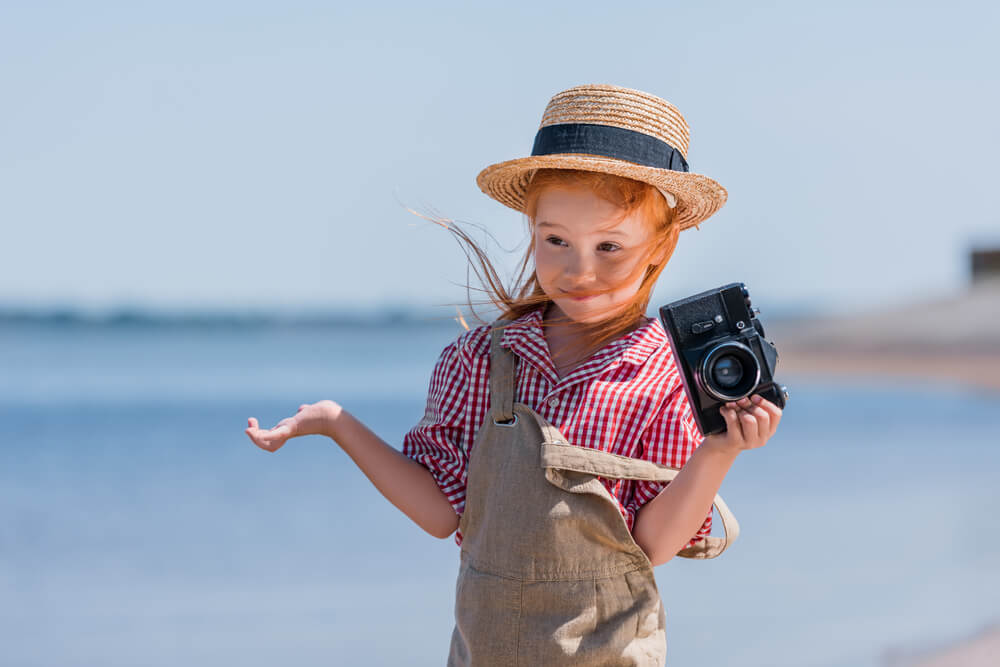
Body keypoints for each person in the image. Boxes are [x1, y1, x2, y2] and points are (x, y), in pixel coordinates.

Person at [244, 84, 782, 666]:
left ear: (660, 245)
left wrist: (719, 454)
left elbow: (652, 545)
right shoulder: (479, 360)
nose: (579, 270)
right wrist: (336, 423)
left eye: (609, 246)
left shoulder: (664, 373)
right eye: (556, 241)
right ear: (531, 226)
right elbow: (441, 513)